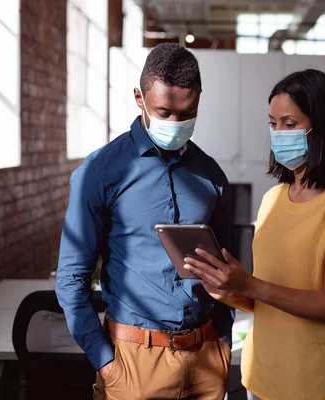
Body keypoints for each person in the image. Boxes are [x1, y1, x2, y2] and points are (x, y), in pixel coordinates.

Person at [182, 69, 325, 400]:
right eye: (273, 124)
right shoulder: (273, 199)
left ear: (321, 127)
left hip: (316, 385)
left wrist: (250, 284)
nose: (278, 133)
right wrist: (225, 287)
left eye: (289, 123)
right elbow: (265, 298)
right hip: (261, 378)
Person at [55, 43, 234, 400]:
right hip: (133, 363)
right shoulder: (101, 171)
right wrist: (106, 363)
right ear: (140, 98)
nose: (175, 124)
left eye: (186, 113)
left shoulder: (211, 176)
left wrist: (224, 343)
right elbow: (71, 278)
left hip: (206, 360)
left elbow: (228, 268)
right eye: (164, 112)